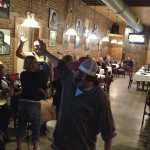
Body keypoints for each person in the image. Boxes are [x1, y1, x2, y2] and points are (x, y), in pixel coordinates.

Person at [37, 39, 116, 150]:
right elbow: (60, 65)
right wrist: (45, 52)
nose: (71, 71)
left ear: (83, 75)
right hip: (59, 144)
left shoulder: (100, 98)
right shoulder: (71, 80)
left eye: (75, 69)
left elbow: (108, 132)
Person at [16, 55, 47, 150]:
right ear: (31, 64)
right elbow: (44, 86)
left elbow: (29, 87)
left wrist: (37, 89)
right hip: (34, 103)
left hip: (23, 102)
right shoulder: (38, 75)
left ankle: (19, 147)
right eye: (35, 62)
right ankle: (35, 147)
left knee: (21, 125)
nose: (37, 64)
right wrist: (39, 90)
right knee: (36, 127)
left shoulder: (23, 74)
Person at [0, 61, 13, 140]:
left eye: (2, 69)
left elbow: (8, 97)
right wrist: (2, 91)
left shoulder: (4, 82)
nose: (2, 71)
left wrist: (10, 92)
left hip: (3, 103)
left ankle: (3, 131)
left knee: (8, 111)